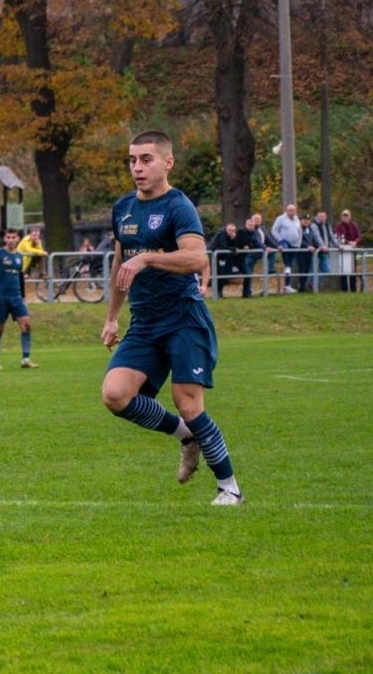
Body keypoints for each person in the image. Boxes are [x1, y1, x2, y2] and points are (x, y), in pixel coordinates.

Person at [101, 130, 242, 506]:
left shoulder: (179, 206)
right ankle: (186, 436)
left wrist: (148, 257)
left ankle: (229, 487)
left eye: (146, 159)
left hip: (183, 319)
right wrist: (112, 317)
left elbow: (197, 259)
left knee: (188, 403)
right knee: (115, 395)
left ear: (168, 162)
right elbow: (120, 262)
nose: (137, 167)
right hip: (145, 323)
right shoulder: (124, 208)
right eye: (132, 160)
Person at [0, 229, 36, 369]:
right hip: (1, 297)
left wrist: (23, 296)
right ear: (4, 239)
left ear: (18, 239)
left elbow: (20, 277)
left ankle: (25, 359)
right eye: (8, 237)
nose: (11, 240)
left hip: (16, 297)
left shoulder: (19, 256)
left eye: (14, 237)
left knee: (26, 324)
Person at [203, 222, 246, 298]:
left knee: (222, 274)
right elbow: (223, 246)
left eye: (233, 230)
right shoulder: (222, 234)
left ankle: (219, 292)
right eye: (230, 230)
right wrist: (233, 249)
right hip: (211, 255)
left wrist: (233, 240)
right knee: (214, 274)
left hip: (219, 256)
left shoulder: (231, 236)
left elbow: (234, 245)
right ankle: (211, 292)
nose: (231, 232)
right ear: (226, 229)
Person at [271, 203, 304, 293]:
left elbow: (300, 232)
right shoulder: (280, 219)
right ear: (286, 210)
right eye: (289, 210)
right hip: (284, 242)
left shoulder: (297, 219)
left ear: (295, 211)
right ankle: (287, 281)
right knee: (285, 252)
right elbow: (274, 230)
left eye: (293, 210)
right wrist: (280, 239)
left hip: (295, 244)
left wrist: (299, 243)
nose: (291, 212)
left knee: (288, 266)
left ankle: (287, 286)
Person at [304, 210, 338, 292]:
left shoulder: (327, 225)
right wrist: (322, 245)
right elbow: (317, 236)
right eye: (320, 216)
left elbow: (332, 236)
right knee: (313, 269)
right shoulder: (314, 225)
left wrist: (339, 246)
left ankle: (313, 283)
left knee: (327, 270)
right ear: (317, 216)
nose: (322, 218)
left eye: (323, 216)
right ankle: (306, 287)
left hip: (324, 251)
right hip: (316, 250)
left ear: (326, 217)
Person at [334, 208, 362, 292]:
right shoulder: (338, 226)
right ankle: (344, 290)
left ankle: (353, 290)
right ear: (341, 216)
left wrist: (355, 242)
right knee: (343, 270)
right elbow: (338, 236)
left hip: (352, 251)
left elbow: (359, 236)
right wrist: (348, 242)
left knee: (353, 270)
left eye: (347, 215)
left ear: (350, 216)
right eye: (344, 215)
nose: (345, 217)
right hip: (343, 250)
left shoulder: (354, 225)